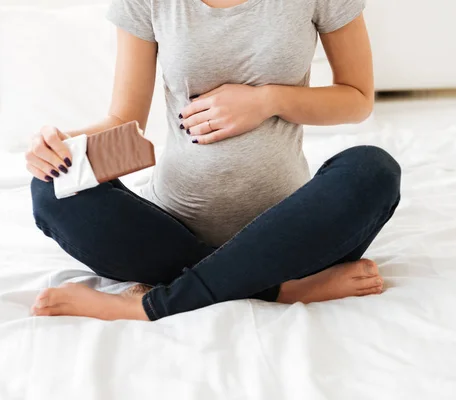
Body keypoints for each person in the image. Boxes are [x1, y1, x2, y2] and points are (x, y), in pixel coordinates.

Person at [25, 0, 401, 321]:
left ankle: (149, 306)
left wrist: (267, 100)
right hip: (168, 234)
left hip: (293, 235)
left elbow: (357, 97)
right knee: (52, 185)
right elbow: (125, 122)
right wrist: (61, 146)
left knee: (373, 169)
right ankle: (274, 288)